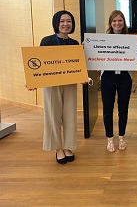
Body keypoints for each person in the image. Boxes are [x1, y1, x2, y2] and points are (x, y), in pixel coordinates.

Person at [40, 10, 79, 164]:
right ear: (56, 23)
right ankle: (57, 148)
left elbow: (79, 66)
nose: (65, 24)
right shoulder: (47, 41)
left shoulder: (74, 44)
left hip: (70, 84)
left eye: (68, 21)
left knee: (70, 115)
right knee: (53, 116)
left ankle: (69, 146)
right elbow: (40, 65)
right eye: (62, 21)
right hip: (51, 85)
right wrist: (32, 81)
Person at [100, 10, 132, 152]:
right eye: (114, 21)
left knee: (123, 109)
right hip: (107, 77)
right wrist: (87, 46)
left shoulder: (131, 40)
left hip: (125, 77)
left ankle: (121, 137)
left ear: (124, 22)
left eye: (120, 20)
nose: (117, 23)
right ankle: (109, 139)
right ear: (110, 23)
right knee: (108, 109)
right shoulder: (103, 40)